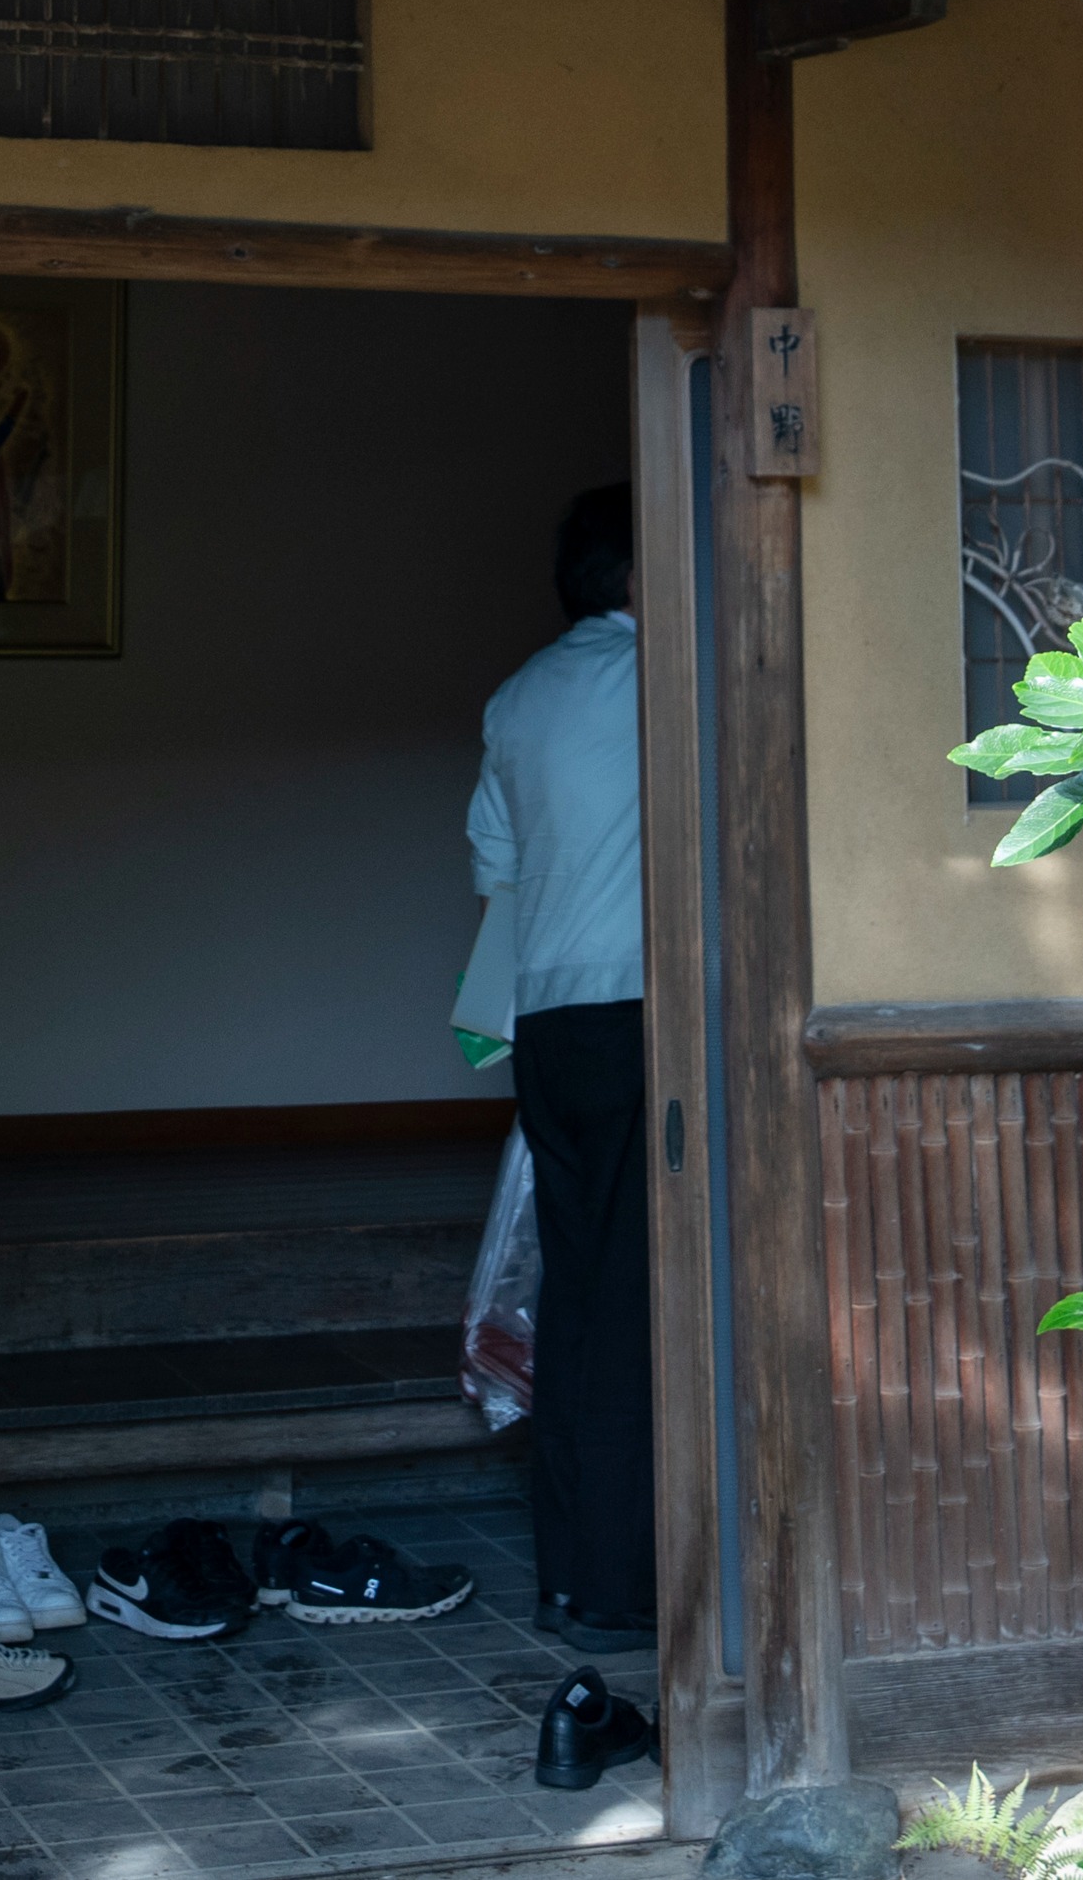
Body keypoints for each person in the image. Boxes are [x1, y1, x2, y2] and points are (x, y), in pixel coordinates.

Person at [465, 483, 652, 1650]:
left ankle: (572, 1580)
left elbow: (491, 864)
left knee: (580, 1300)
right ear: (645, 575)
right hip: (646, 1020)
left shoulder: (517, 694)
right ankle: (631, 1587)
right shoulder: (667, 681)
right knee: (638, 1306)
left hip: (546, 1026)